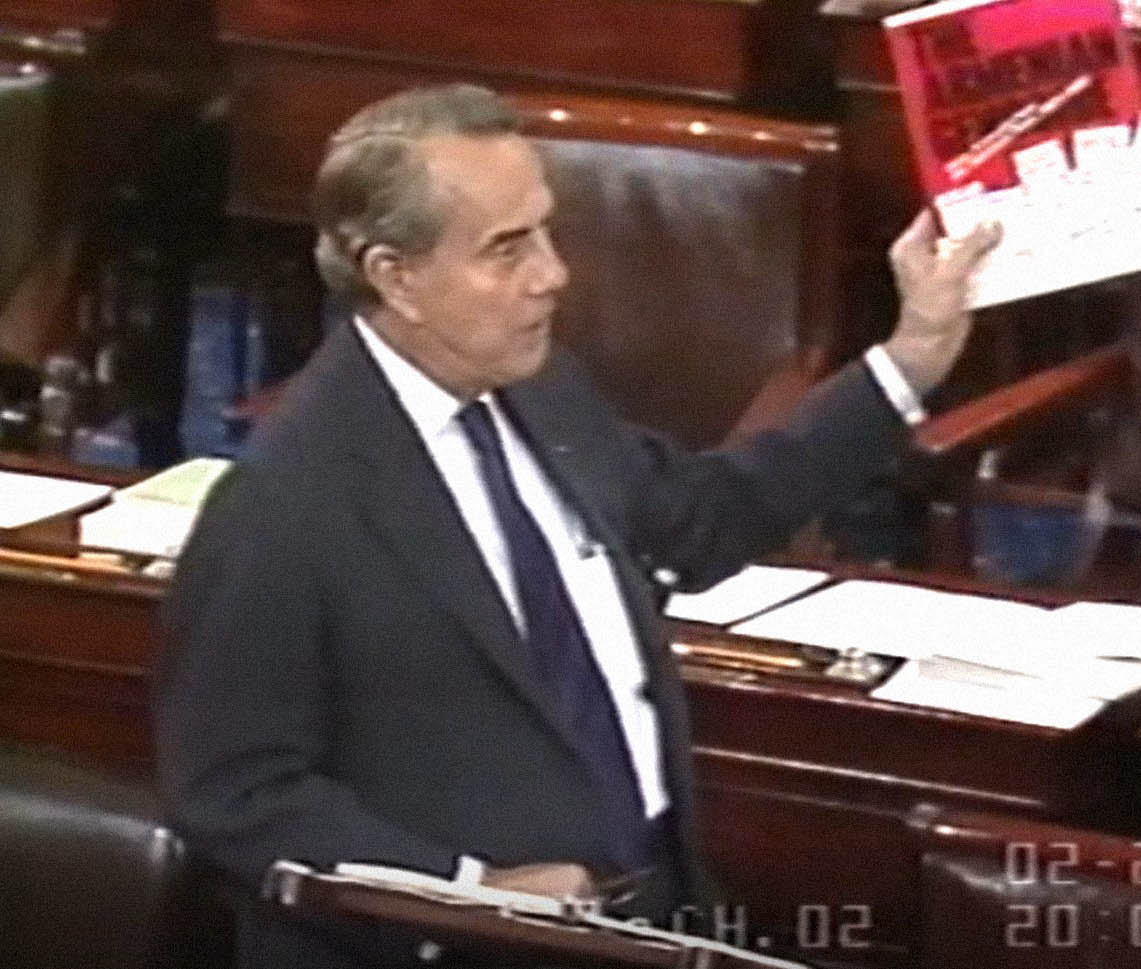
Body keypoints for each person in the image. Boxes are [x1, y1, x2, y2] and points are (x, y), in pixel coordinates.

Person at [154, 83, 998, 969]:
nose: (552, 273)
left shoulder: (540, 389)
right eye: (506, 249)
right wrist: (470, 887)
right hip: (463, 950)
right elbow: (234, 791)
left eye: (546, 231)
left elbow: (696, 520)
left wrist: (909, 359)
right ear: (395, 276)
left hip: (657, 915)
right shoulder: (287, 499)